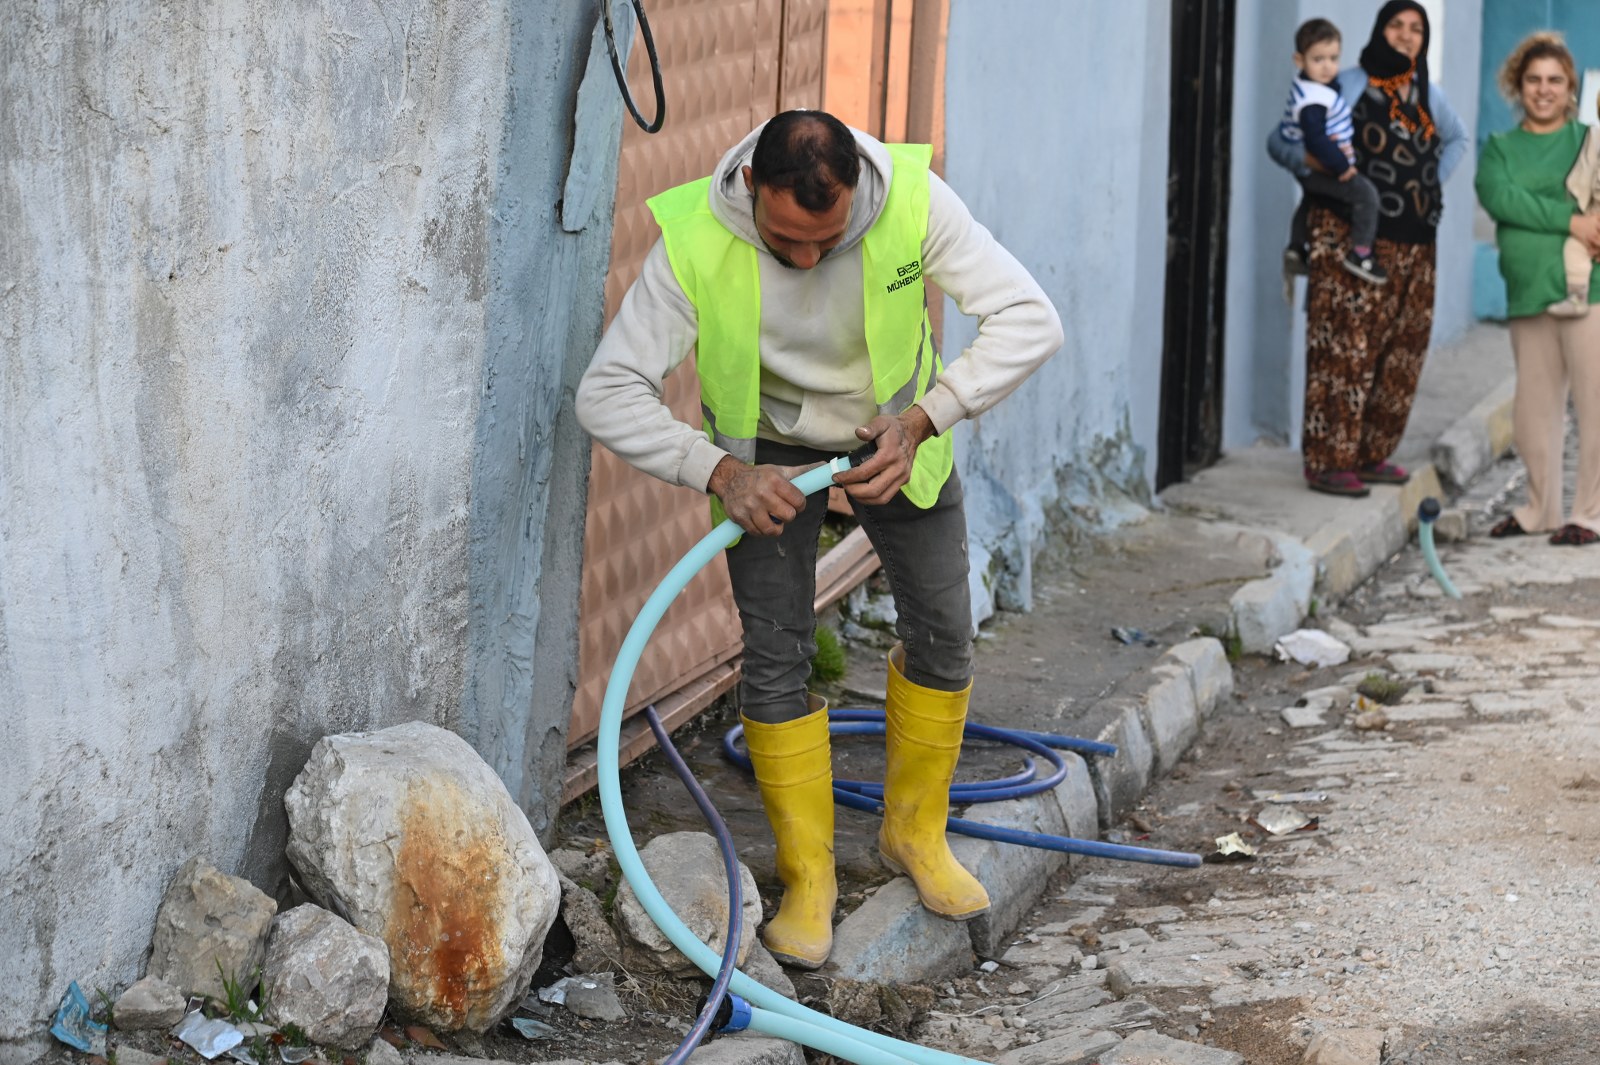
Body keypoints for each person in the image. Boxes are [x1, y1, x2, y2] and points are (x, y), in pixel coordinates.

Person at [576, 110, 1063, 968]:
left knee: (945, 634)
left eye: (826, 241)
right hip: (766, 459)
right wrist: (719, 472)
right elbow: (606, 391)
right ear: (752, 190)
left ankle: (912, 835)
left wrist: (926, 417)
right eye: (785, 240)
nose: (805, 261)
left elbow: (1031, 318)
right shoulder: (696, 235)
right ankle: (810, 879)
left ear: (855, 199)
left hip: (895, 434)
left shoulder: (910, 200)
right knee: (775, 658)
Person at [1268, 1, 1469, 498]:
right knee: (1344, 350)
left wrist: (1429, 189)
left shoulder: (1426, 93)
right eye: (1396, 25)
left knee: (1400, 351)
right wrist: (1313, 168)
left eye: (1415, 28)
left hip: (1416, 244)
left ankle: (1370, 454)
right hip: (1348, 239)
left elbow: (1458, 139)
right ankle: (1328, 462)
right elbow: (1282, 140)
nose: (1405, 35)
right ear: (1381, 31)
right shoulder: (1347, 82)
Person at [1475, 33, 1600, 546]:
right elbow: (1503, 202)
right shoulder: (1499, 150)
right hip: (1528, 290)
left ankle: (1588, 513)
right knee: (1534, 408)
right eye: (1533, 80)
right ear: (1517, 85)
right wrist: (1570, 220)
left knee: (1595, 405)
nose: (1543, 90)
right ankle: (1539, 509)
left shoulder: (1587, 141)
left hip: (1588, 291)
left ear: (1570, 86)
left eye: (1555, 80)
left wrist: (1551, 220)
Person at [1279, 17, 1387, 288]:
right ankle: (1361, 253)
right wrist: (1341, 166)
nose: (1328, 66)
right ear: (1299, 60)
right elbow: (1316, 139)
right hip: (1323, 165)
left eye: (1333, 58)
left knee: (1312, 199)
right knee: (1366, 195)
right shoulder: (1312, 102)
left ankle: (1296, 247)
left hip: (1310, 171)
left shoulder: (1312, 86)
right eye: (1318, 59)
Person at [1549, 94, 1600, 318]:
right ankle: (1578, 298)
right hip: (1595, 215)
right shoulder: (1595, 140)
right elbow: (1584, 172)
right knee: (1573, 247)